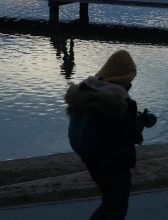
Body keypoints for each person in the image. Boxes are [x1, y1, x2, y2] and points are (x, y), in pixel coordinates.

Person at [65, 50, 156, 219]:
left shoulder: (90, 90)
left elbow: (110, 127)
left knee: (108, 203)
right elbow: (132, 134)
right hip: (114, 164)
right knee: (117, 208)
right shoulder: (117, 100)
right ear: (124, 78)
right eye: (130, 80)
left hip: (93, 161)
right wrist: (142, 122)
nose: (130, 85)